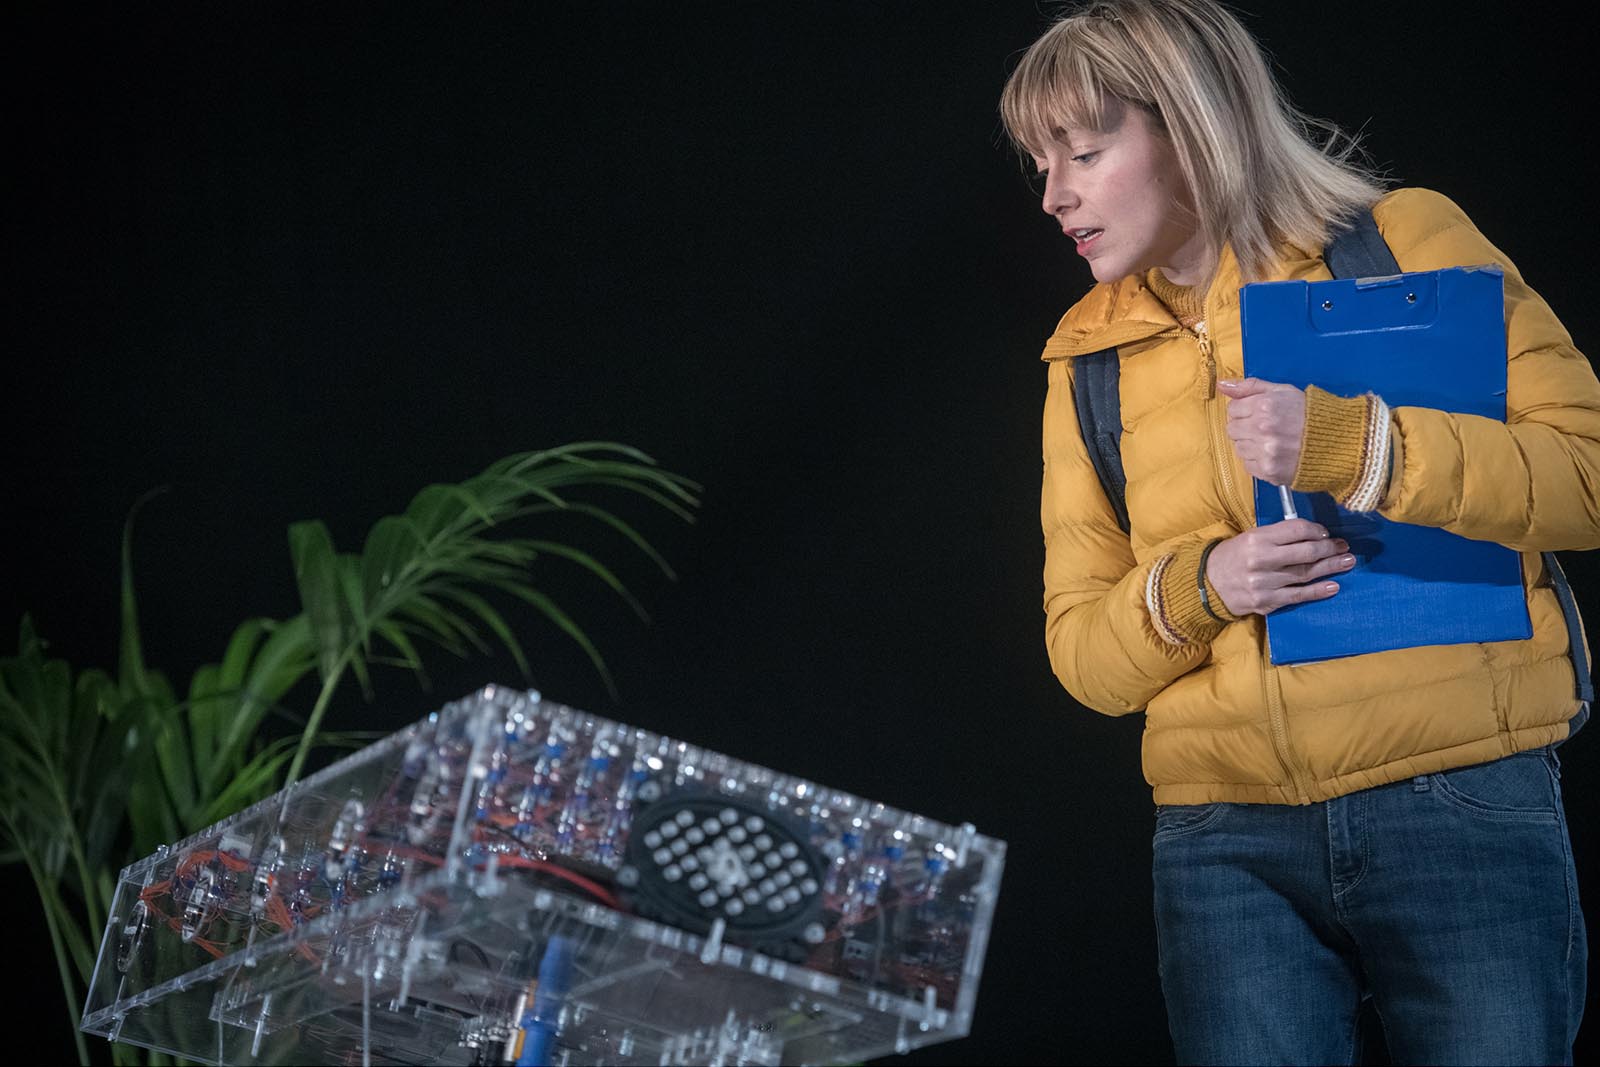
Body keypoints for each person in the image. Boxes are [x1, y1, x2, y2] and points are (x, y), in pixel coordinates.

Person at [999, 1, 1600, 1063]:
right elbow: (1082, 655)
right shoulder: (1084, 359)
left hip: (1457, 794)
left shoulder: (1398, 240)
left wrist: (1353, 446)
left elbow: (1587, 478)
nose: (1053, 195)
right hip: (1223, 843)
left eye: (1084, 153)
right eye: (1041, 164)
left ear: (1190, 125)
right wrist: (1204, 585)